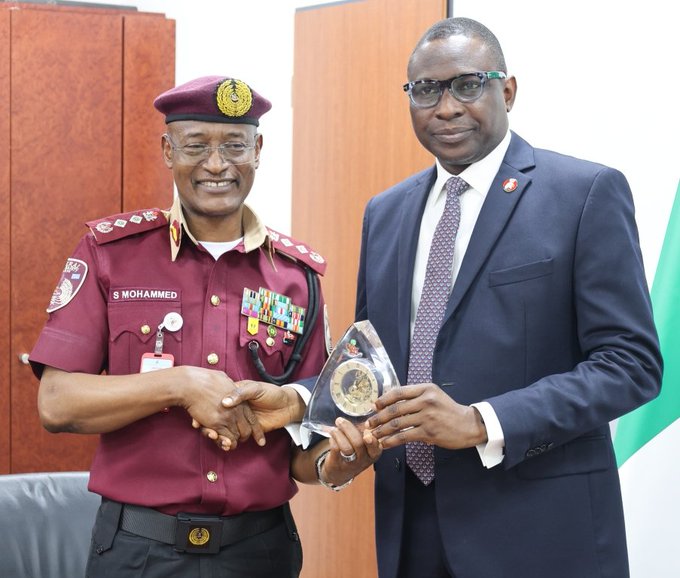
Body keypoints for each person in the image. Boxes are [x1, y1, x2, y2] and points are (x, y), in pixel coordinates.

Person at [326, 17, 663, 578]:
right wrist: (324, 430)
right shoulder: (384, 213)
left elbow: (631, 365)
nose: (446, 108)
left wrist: (482, 422)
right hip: (410, 532)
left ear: (506, 91)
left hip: (539, 535)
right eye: (426, 90)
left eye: (467, 85)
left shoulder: (583, 194)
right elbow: (370, 362)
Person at [29, 75, 375, 577]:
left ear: (258, 151)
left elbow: (304, 448)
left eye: (234, 145)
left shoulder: (296, 278)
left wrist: (338, 463)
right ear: (168, 150)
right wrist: (179, 385)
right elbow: (57, 403)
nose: (216, 165)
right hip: (137, 552)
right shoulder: (111, 256)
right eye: (196, 145)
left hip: (260, 552)